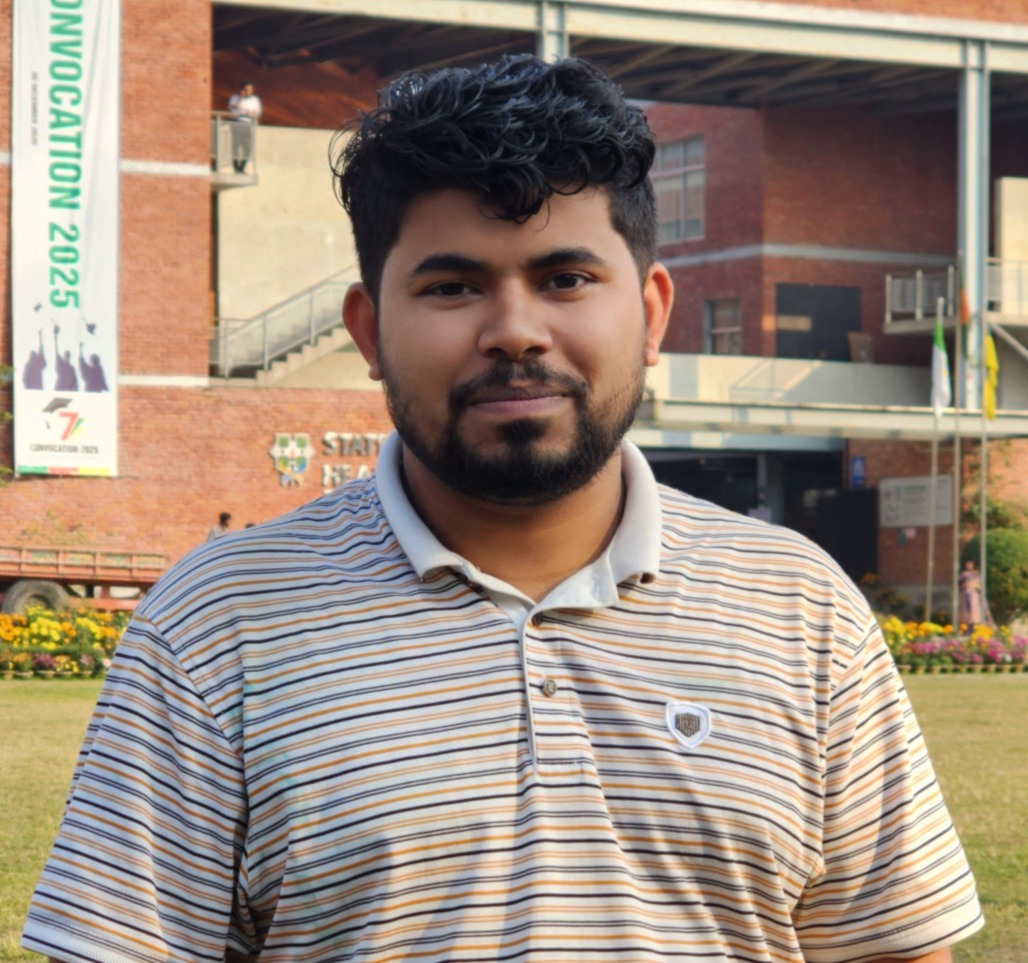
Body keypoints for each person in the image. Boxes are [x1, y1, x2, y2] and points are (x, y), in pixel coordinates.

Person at [25, 56, 982, 963]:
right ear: (369, 330)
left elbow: (892, 946)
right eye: (453, 286)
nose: (516, 332)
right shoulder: (218, 623)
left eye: (566, 278)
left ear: (652, 313)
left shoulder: (799, 607)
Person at [227, 81, 262, 173]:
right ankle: (236, 168)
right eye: (246, 89)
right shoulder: (235, 98)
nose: (249, 91)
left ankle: (242, 167)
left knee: (247, 148)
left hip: (247, 124)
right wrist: (241, 99)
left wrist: (244, 110)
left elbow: (257, 113)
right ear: (242, 90)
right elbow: (233, 110)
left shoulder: (255, 100)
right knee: (235, 146)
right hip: (236, 123)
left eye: (250, 89)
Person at [958, 558, 987, 626]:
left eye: (970, 564)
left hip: (974, 593)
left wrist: (975, 586)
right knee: (965, 609)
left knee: (974, 608)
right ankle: (965, 624)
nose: (968, 566)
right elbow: (959, 584)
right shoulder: (963, 574)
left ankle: (975, 624)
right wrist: (965, 586)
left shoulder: (977, 574)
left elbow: (980, 584)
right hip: (965, 593)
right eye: (967, 564)